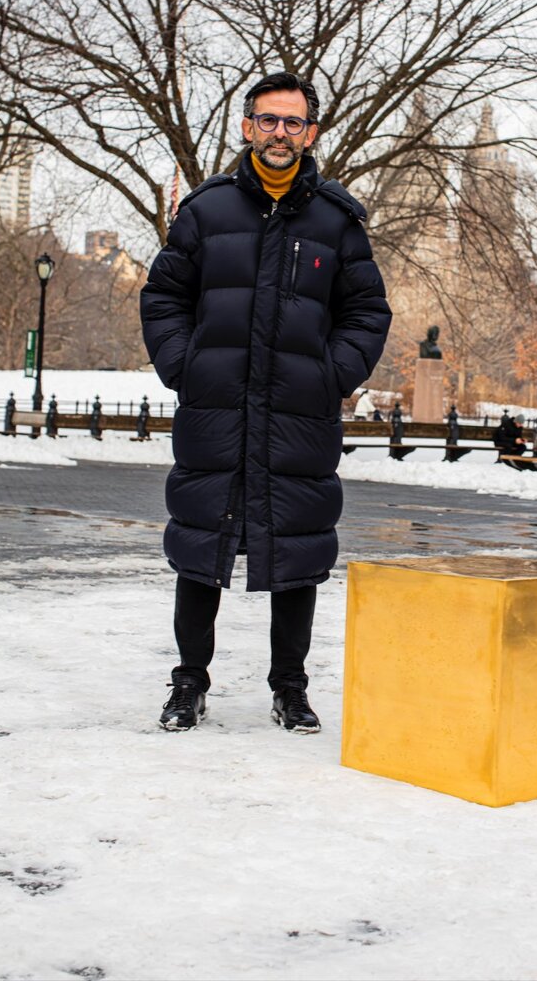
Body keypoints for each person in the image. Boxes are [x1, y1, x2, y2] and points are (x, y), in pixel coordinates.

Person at [140, 72, 392, 734]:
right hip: (216, 408)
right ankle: (188, 683)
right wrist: (183, 365)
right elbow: (163, 297)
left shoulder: (337, 221)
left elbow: (366, 310)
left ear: (310, 134)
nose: (281, 133)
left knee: (297, 551)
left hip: (298, 414)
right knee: (201, 544)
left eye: (294, 123)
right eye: (269, 120)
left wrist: (331, 374)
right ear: (248, 127)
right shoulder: (205, 211)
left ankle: (291, 688)